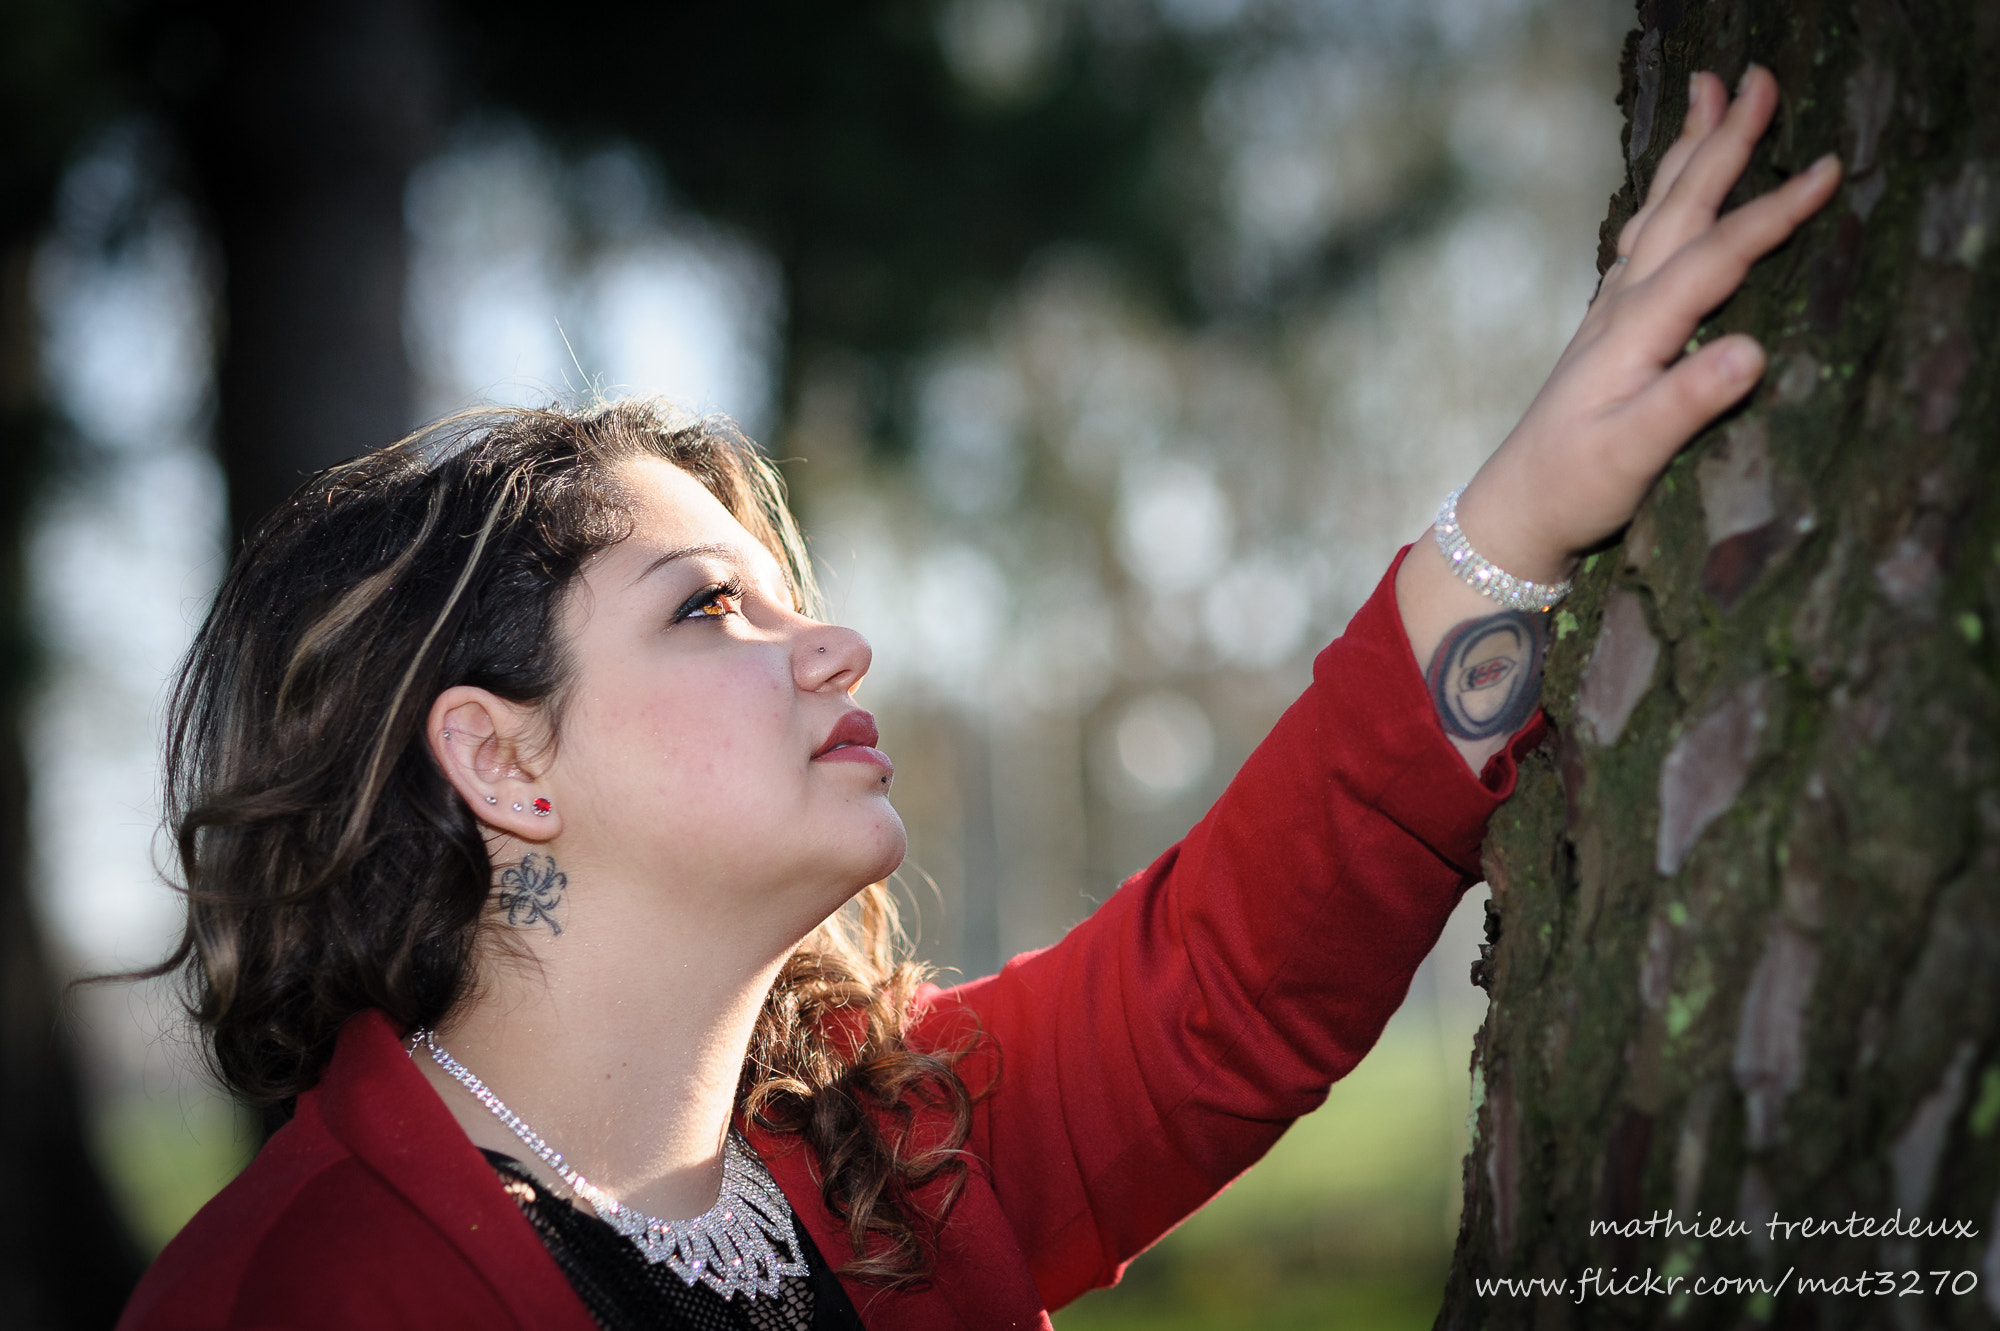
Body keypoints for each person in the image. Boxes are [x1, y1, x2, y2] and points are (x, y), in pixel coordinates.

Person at [118, 69, 1838, 1331]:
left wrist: (1525, 518)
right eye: (709, 609)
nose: (832, 649)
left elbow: (1233, 971)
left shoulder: (899, 1161)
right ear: (504, 757)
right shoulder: (293, 1291)